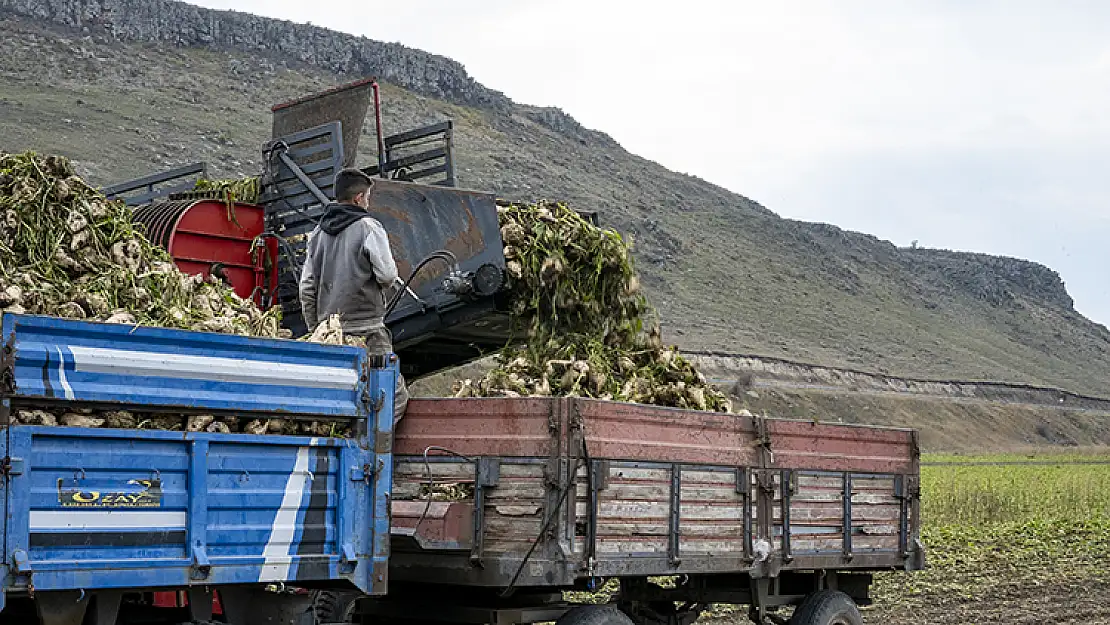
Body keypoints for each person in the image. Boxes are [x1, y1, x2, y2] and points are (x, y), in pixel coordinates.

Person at [298, 168, 409, 424]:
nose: (368, 202)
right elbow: (387, 274)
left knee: (341, 399)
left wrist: (318, 328)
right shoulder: (368, 227)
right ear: (359, 198)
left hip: (331, 334)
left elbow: (306, 287)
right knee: (392, 397)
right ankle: (370, 451)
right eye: (367, 196)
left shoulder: (317, 234)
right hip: (367, 331)